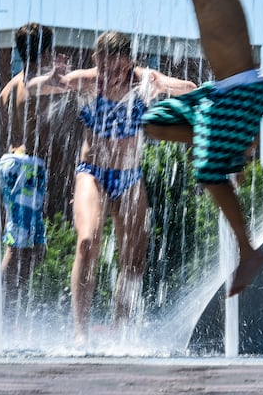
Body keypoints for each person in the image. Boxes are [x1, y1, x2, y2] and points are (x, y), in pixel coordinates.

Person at [70, 0, 263, 297]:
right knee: (153, 122)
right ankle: (225, 143)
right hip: (218, 95)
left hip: (244, 91)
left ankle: (248, 251)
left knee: (207, 173)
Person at [29, 31, 196, 345]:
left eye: (119, 70)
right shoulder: (88, 81)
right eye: (105, 69)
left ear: (130, 63)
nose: (112, 77)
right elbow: (32, 87)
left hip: (130, 177)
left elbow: (189, 89)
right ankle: (81, 332)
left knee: (134, 258)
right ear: (97, 62)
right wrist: (52, 78)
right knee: (87, 242)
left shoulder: (143, 81)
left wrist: (162, 83)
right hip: (91, 173)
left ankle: (122, 333)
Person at [0, 23, 80, 317]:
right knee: (18, 249)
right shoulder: (43, 85)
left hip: (11, 167)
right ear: (48, 50)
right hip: (27, 169)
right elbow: (58, 136)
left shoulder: (11, 86)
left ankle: (7, 310)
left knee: (34, 249)